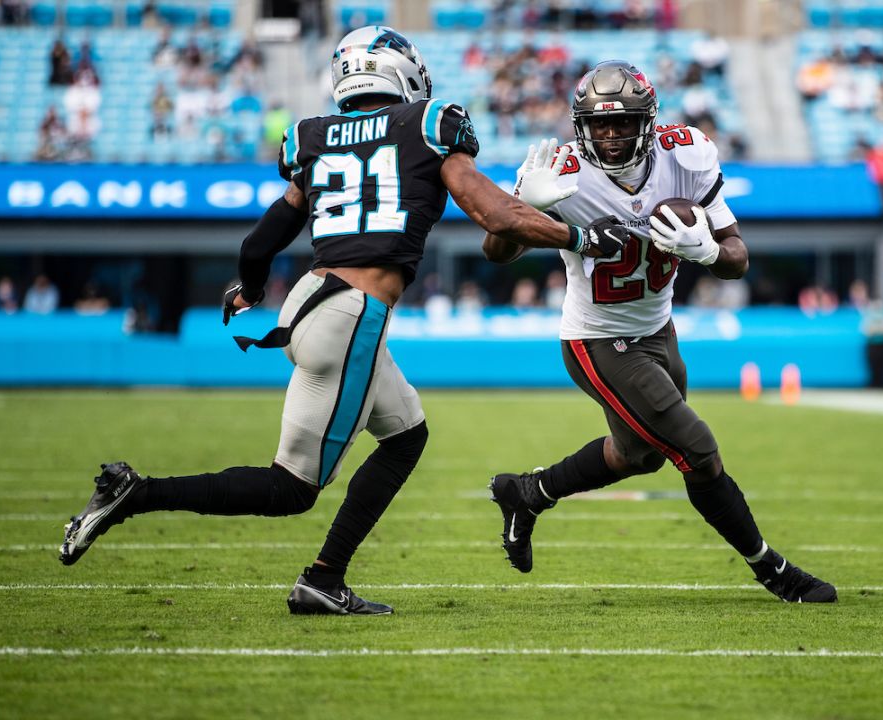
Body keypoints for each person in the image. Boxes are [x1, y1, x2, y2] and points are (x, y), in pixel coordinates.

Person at [58, 27, 631, 615]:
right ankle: (138, 494)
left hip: (311, 299)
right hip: (353, 314)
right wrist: (583, 236)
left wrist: (249, 287)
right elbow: (493, 214)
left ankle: (325, 577)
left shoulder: (313, 137)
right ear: (400, 73)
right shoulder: (427, 125)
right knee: (291, 489)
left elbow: (261, 241)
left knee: (406, 436)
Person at [482, 61, 836, 603]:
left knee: (639, 454)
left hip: (657, 330)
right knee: (697, 449)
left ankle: (526, 493)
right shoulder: (563, 171)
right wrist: (524, 209)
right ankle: (773, 570)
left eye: (622, 122)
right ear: (581, 125)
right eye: (599, 125)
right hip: (597, 339)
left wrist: (712, 251)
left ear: (648, 121)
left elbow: (737, 256)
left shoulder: (687, 155)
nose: (611, 134)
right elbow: (495, 252)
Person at [861, 298, 883, 387]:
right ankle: (874, 383)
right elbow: (866, 330)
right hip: (872, 345)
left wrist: (876, 330)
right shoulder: (869, 315)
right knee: (873, 365)